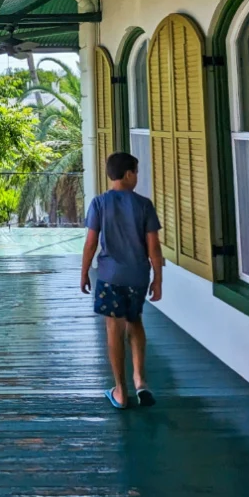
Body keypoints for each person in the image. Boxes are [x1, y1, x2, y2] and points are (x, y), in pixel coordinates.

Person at [80, 151, 163, 410]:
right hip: (137, 276)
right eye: (136, 172)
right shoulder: (143, 204)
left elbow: (91, 243)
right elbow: (154, 247)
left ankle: (120, 390)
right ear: (128, 174)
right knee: (135, 321)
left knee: (114, 329)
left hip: (110, 277)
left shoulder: (99, 203)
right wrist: (158, 278)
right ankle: (140, 380)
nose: (137, 177)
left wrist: (83, 272)